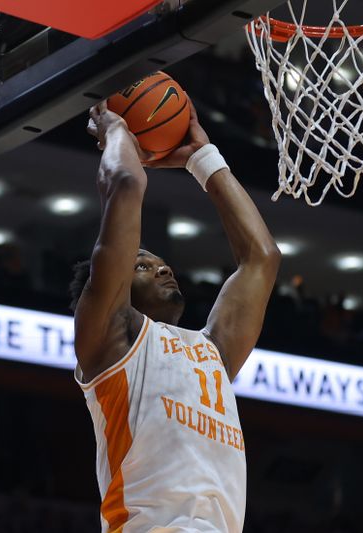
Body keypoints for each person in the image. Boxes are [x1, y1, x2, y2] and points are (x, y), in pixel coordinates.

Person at [69, 97, 281, 532]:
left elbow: (262, 258)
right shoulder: (110, 341)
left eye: (161, 262)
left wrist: (203, 158)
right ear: (115, 286)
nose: (163, 267)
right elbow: (125, 184)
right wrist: (116, 132)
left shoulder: (212, 352)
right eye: (142, 264)